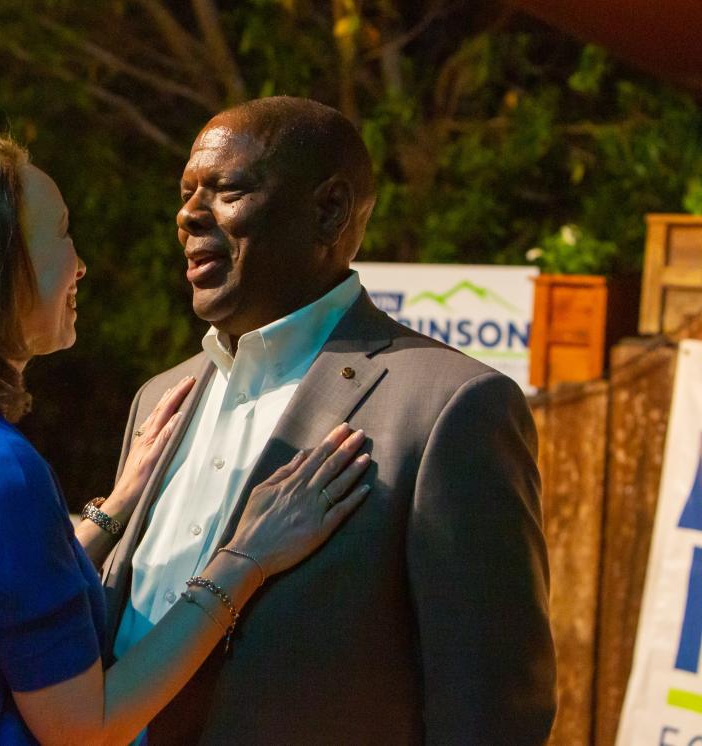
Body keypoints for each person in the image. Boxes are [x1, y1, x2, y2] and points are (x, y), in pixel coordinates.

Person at [0, 134, 373, 745]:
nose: (80, 264)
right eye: (59, 233)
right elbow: (87, 726)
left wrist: (115, 507)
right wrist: (247, 557)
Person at [104, 97, 558, 745]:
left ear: (330, 210)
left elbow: (493, 705)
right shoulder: (159, 400)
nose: (188, 215)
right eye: (184, 193)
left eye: (227, 190)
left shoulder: (449, 409)